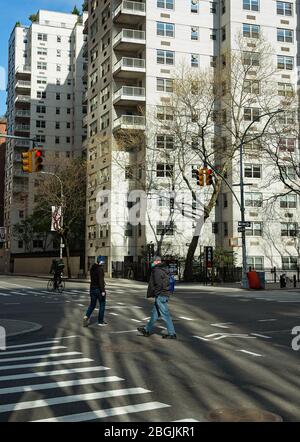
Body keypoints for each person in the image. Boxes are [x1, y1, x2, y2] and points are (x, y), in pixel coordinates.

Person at [137, 256, 176, 339]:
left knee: (165, 314)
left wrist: (156, 293)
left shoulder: (157, 270)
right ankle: (146, 330)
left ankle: (172, 333)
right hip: (164, 294)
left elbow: (159, 284)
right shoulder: (164, 269)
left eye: (153, 261)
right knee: (154, 314)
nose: (152, 263)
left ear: (157, 261)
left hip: (161, 295)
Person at [83, 256, 107, 327]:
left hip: (92, 289)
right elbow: (100, 280)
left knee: (92, 305)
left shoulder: (92, 268)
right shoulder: (100, 269)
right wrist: (103, 290)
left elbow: (95, 279)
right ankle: (100, 321)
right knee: (102, 304)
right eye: (103, 261)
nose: (104, 263)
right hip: (98, 290)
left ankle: (86, 316)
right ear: (101, 261)